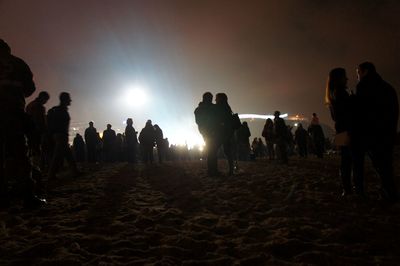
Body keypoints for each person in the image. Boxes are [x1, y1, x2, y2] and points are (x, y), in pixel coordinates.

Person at [0, 39, 45, 207]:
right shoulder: (18, 63)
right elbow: (30, 88)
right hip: (13, 112)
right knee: (20, 153)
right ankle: (27, 194)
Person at [352, 62, 399, 202]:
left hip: (372, 133)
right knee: (386, 165)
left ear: (365, 71)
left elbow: (361, 112)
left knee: (379, 165)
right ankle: (390, 192)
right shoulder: (388, 87)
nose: (357, 76)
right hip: (388, 132)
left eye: (358, 73)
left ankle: (389, 194)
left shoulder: (363, 86)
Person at [325, 68, 353, 196]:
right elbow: (347, 112)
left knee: (345, 159)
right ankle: (348, 188)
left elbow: (335, 116)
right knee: (349, 159)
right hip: (346, 129)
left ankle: (346, 188)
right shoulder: (341, 93)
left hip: (339, 130)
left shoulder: (331, 94)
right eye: (344, 76)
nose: (346, 79)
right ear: (339, 78)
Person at [47, 92, 79, 180]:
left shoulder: (59, 110)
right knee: (58, 156)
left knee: (68, 155)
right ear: (65, 99)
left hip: (60, 135)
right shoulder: (61, 110)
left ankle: (75, 171)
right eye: (69, 98)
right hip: (61, 135)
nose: (70, 100)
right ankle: (51, 175)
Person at [194, 92, 218, 175]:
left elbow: (198, 122)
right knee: (212, 150)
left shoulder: (198, 109)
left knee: (211, 150)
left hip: (205, 132)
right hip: (212, 131)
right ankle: (213, 170)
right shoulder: (213, 108)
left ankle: (212, 169)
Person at [26, 91, 50, 169]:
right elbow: (40, 121)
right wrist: (44, 132)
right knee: (37, 150)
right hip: (37, 132)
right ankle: (36, 169)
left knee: (30, 150)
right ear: (43, 98)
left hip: (28, 131)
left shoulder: (30, 105)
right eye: (46, 100)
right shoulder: (39, 107)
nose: (46, 102)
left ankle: (30, 167)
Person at [215, 93, 236, 175]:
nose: (215, 100)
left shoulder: (219, 107)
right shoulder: (227, 107)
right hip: (228, 132)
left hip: (221, 132)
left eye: (217, 98)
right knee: (227, 151)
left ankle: (229, 170)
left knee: (214, 150)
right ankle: (231, 170)